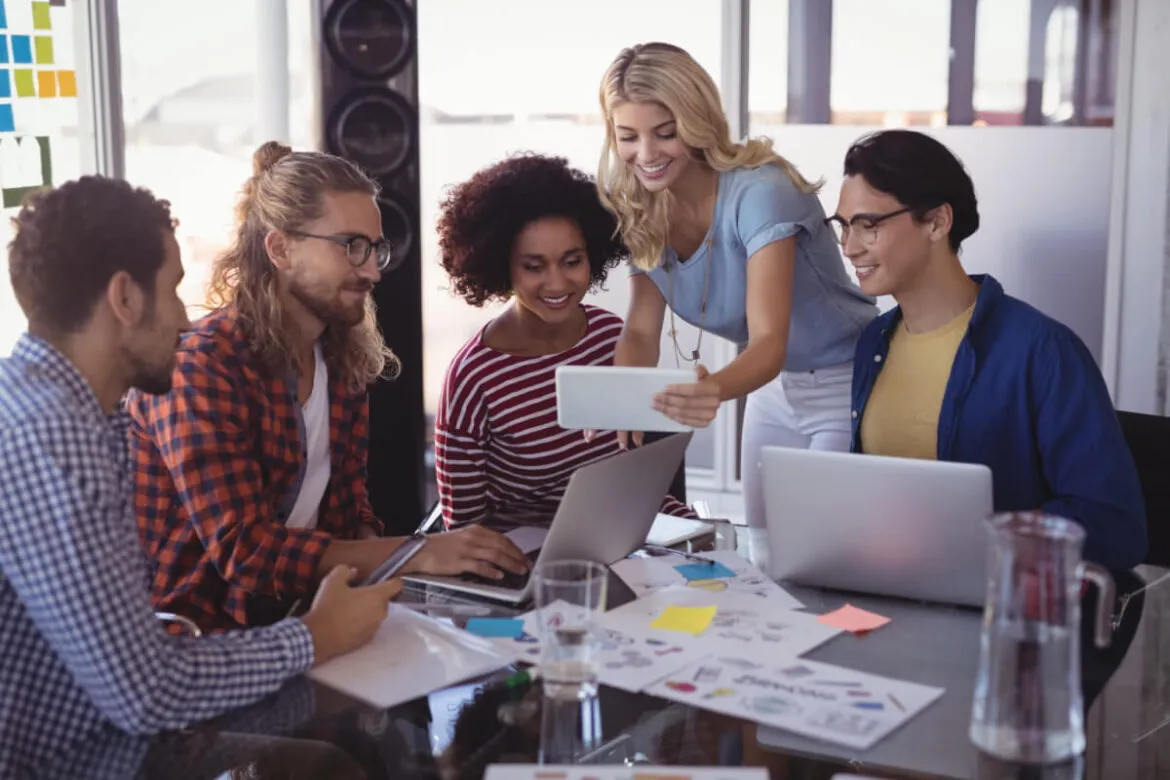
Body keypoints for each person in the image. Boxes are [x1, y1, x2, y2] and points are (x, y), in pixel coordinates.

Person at [0, 176, 401, 778]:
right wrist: (313, 637)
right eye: (174, 291)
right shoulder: (55, 442)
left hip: (112, 731)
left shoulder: (64, 410)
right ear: (125, 300)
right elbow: (145, 693)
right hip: (85, 759)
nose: (187, 323)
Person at [127, 142, 529, 634]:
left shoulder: (340, 353)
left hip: (305, 617)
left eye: (375, 248)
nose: (373, 270)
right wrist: (417, 554)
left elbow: (347, 513)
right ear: (280, 249)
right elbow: (248, 553)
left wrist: (401, 580)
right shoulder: (201, 368)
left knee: (500, 640)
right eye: (351, 246)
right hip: (207, 641)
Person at [595, 42, 878, 554]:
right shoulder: (639, 205)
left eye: (665, 132)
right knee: (764, 547)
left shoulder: (760, 192)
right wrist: (626, 398)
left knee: (824, 554)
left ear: (697, 120)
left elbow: (769, 339)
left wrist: (711, 391)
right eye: (628, 137)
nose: (647, 155)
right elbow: (640, 329)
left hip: (846, 382)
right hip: (774, 390)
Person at [833, 129, 1147, 571]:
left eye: (868, 225)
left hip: (989, 614)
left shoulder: (1043, 351)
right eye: (843, 227)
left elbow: (1116, 527)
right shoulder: (874, 343)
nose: (849, 247)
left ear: (937, 222)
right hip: (888, 592)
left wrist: (976, 536)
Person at [434, 153, 694, 529]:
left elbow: (635, 475)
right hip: (531, 558)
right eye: (534, 267)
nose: (556, 284)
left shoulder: (611, 338)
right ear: (502, 267)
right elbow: (463, 530)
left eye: (571, 262)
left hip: (624, 529)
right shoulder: (472, 377)